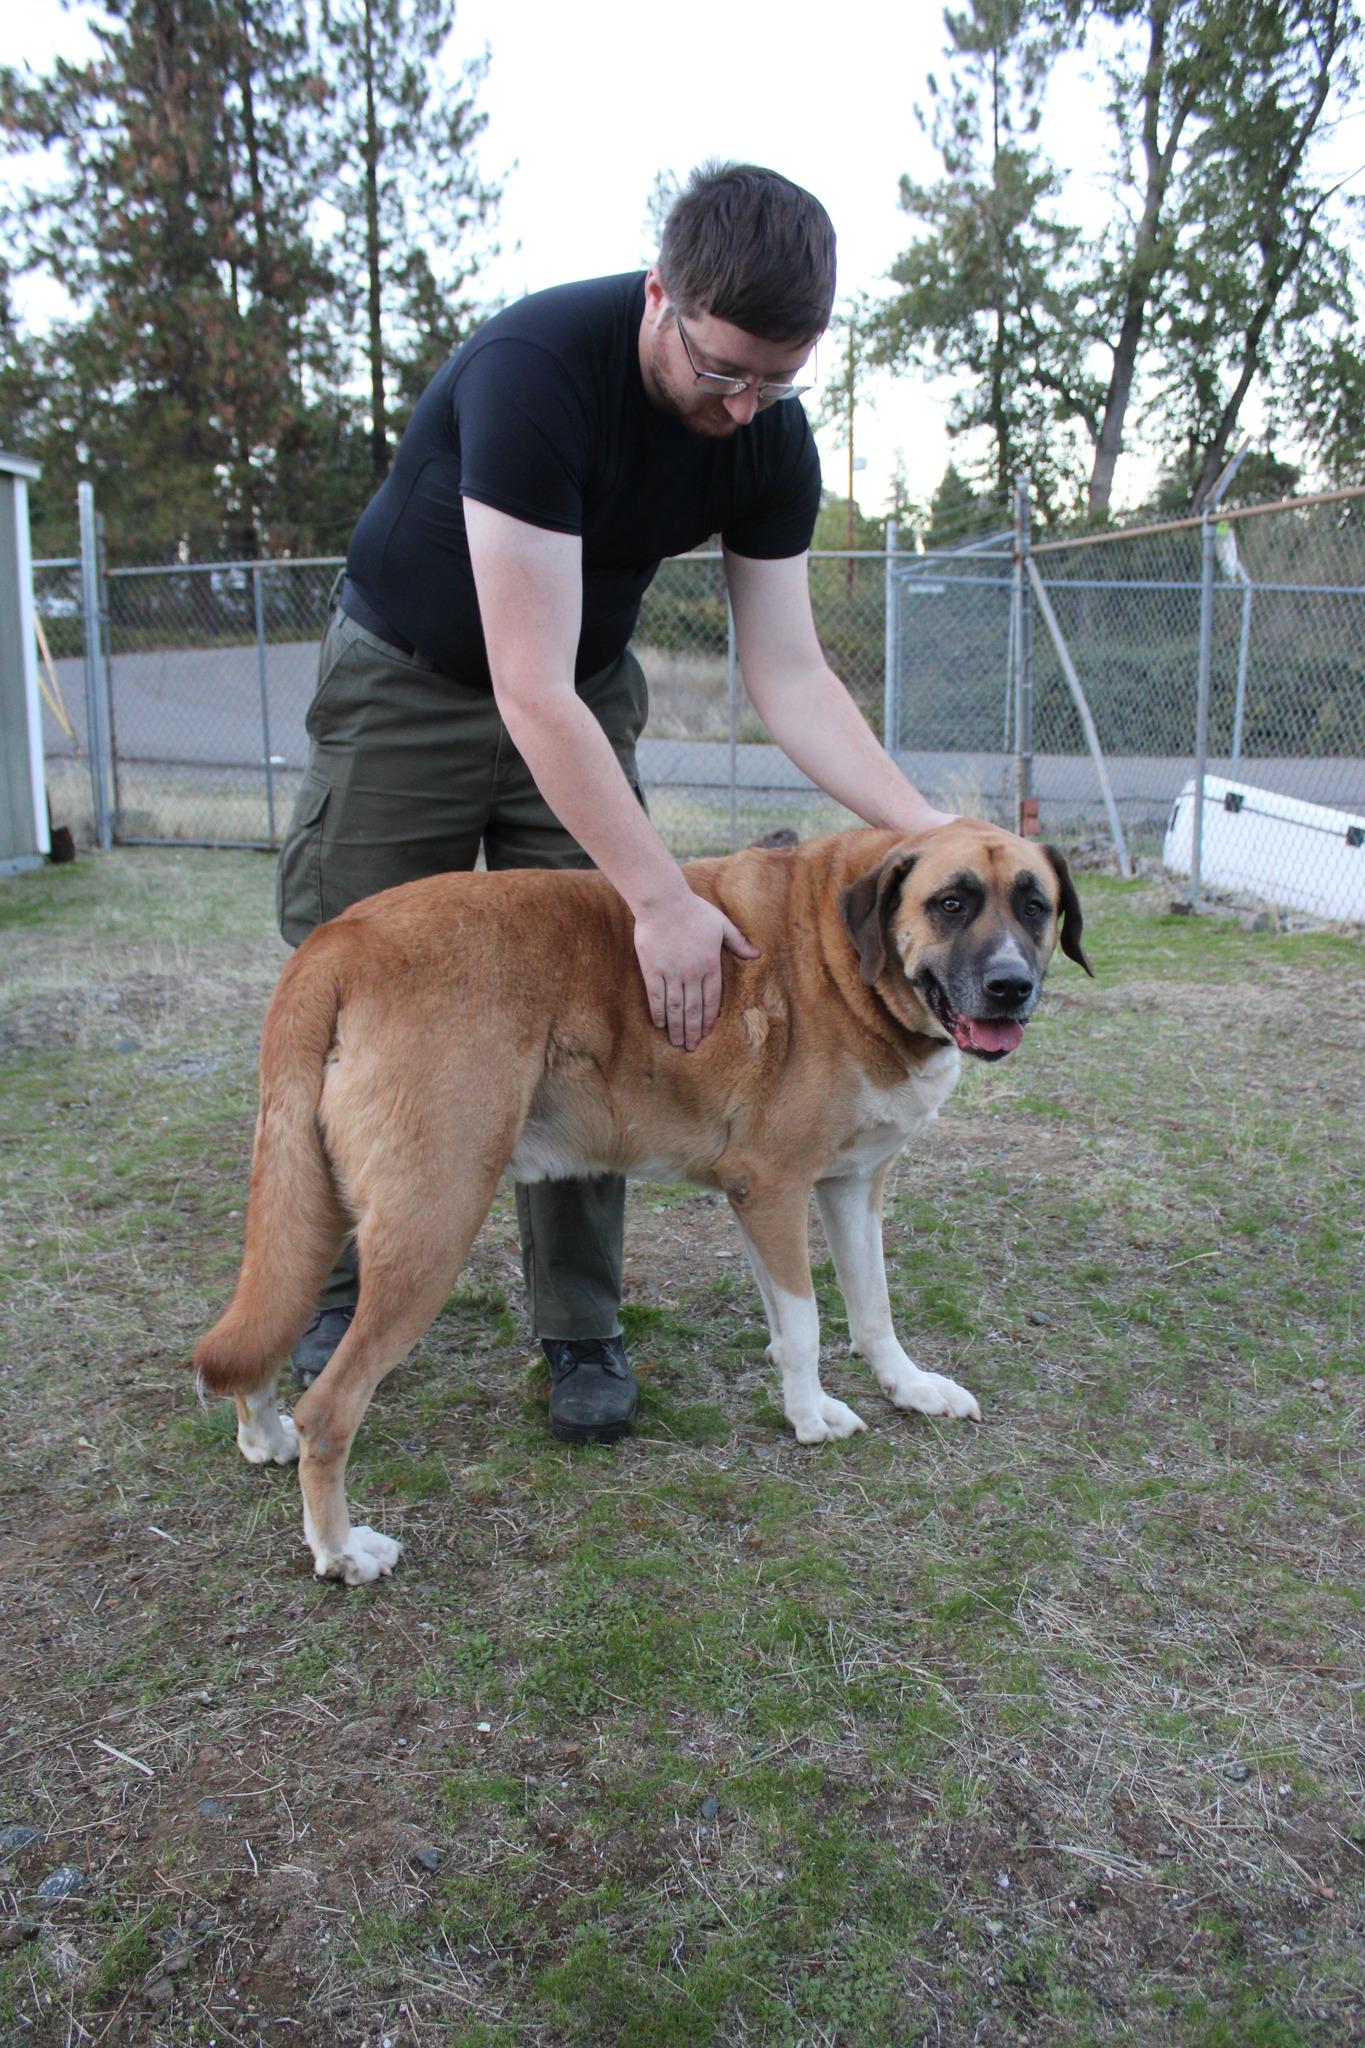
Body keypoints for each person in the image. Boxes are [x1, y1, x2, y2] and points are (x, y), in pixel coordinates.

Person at [276, 160, 951, 1443]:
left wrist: (929, 840)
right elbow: (517, 685)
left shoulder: (767, 436)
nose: (746, 403)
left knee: (626, 997)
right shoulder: (536, 368)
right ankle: (329, 1298)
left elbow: (791, 673)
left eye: (779, 379)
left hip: (583, 688)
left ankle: (579, 1323)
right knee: (367, 1006)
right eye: (724, 370)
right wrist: (658, 892)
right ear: (662, 299)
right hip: (413, 683)